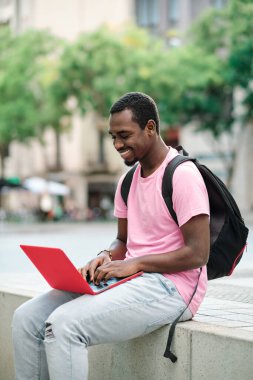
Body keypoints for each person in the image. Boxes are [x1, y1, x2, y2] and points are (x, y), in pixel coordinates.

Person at [12, 92, 210, 380]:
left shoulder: (182, 175)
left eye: (124, 135)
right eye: (112, 137)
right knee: (26, 318)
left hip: (174, 289)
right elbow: (122, 241)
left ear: (151, 128)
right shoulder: (128, 181)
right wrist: (104, 256)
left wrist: (136, 263)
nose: (118, 144)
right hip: (131, 279)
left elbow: (198, 254)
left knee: (64, 325)